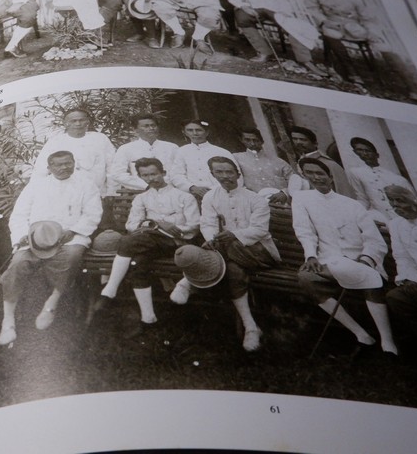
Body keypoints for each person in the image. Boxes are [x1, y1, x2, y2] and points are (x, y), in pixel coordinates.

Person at [171, 157, 280, 351]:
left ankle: (186, 282)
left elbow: (260, 230)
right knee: (233, 271)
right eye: (219, 172)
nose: (225, 177)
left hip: (260, 253)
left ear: (238, 174)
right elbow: (208, 223)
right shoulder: (211, 197)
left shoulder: (255, 199)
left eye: (229, 172)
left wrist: (233, 235)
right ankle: (252, 328)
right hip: (231, 258)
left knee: (226, 247)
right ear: (212, 174)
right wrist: (212, 238)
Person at [292, 157, 398, 355]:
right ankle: (360, 333)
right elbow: (304, 231)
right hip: (328, 258)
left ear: (330, 177)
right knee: (306, 277)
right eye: (310, 173)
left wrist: (366, 258)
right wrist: (310, 255)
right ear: (305, 175)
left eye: (321, 173)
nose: (316, 177)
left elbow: (373, 239)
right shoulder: (301, 199)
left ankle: (387, 340)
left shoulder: (352, 205)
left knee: (367, 274)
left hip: (359, 258)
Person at [0, 150, 102, 345]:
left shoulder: (86, 185)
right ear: (49, 168)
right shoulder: (36, 186)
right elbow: (19, 214)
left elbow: (92, 214)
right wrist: (21, 235)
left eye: (68, 163)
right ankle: (8, 319)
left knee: (71, 257)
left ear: (74, 163)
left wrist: (73, 230)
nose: (64, 168)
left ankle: (51, 303)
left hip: (70, 237)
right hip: (36, 238)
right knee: (18, 263)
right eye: (58, 165)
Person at [92, 157, 200, 327]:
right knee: (138, 263)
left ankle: (110, 288)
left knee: (128, 242)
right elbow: (131, 225)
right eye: (145, 175)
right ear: (141, 177)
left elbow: (193, 227)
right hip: (149, 242)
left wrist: (171, 227)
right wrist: (154, 224)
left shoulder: (184, 197)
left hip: (177, 243)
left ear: (163, 173)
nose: (151, 179)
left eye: (154, 174)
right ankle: (148, 317)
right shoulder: (141, 198)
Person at [225, 0, 325, 77]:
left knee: (291, 25)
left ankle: (304, 59)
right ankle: (264, 52)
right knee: (242, 19)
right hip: (248, 8)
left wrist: (285, 11)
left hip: (271, 8)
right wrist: (243, 6)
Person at [304, 0, 377, 83]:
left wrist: (371, 30)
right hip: (330, 24)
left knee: (377, 42)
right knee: (330, 35)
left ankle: (330, 63)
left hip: (352, 27)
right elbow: (313, 9)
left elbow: (366, 16)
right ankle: (350, 70)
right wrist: (324, 21)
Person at [31, 108, 115, 197]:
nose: (78, 124)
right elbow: (41, 170)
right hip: (63, 194)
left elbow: (112, 167)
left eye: (81, 120)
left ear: (87, 122)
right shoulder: (55, 141)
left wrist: (112, 192)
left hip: (95, 194)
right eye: (73, 121)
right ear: (65, 123)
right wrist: (36, 193)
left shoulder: (100, 139)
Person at [384, 185, 417, 348]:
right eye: (392, 202)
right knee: (396, 298)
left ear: (414, 199)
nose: (396, 206)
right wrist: (410, 279)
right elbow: (403, 257)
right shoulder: (396, 225)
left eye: (400, 200)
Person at [346, 137, 414, 222]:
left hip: (402, 218)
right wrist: (358, 217)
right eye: (359, 150)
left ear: (377, 154)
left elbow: (413, 201)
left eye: (368, 151)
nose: (364, 154)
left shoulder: (396, 178)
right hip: (380, 218)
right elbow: (362, 198)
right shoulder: (356, 173)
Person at [169, 119, 238, 203]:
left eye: (199, 130)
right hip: (193, 196)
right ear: (185, 133)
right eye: (190, 130)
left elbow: (236, 176)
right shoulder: (181, 151)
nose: (195, 133)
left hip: (221, 195)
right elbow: (176, 175)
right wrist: (192, 188)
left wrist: (214, 191)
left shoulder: (222, 152)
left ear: (207, 132)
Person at [109, 113, 179, 193]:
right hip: (141, 192)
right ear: (135, 130)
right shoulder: (126, 149)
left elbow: (179, 172)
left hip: (172, 191)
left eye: (153, 125)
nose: (151, 128)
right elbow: (117, 174)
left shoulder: (172, 147)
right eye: (146, 126)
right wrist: (145, 186)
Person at [232, 127, 299, 203]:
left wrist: (285, 193)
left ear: (262, 141)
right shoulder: (237, 158)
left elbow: (295, 180)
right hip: (253, 203)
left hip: (282, 204)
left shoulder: (278, 161)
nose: (252, 143)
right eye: (247, 140)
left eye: (255, 140)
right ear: (241, 140)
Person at [288, 125, 353, 197]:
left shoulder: (328, 163)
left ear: (315, 143)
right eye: (295, 139)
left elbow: (344, 190)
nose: (298, 142)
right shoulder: (299, 162)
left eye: (303, 139)